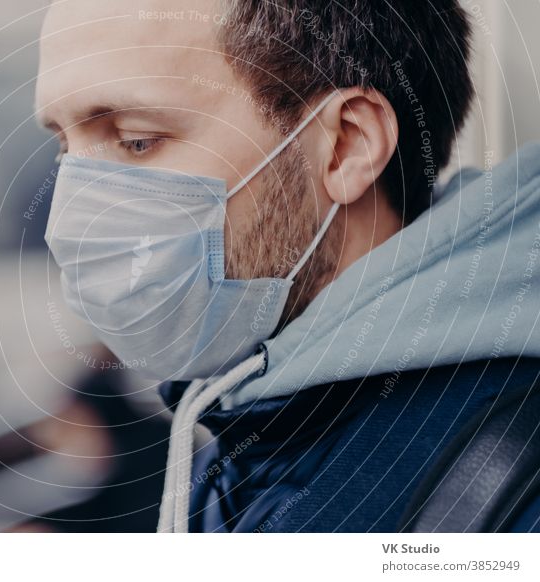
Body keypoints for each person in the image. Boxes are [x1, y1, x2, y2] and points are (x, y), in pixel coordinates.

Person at [35, 0, 540, 532]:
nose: (75, 215)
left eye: (138, 140)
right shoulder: (247, 426)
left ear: (347, 146)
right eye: (65, 151)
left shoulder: (510, 492)